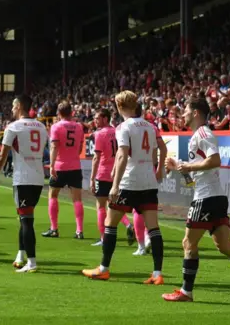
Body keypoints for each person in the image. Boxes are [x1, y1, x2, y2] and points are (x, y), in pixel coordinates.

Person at [162, 97, 230, 304]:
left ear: (195, 113)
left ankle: (186, 292)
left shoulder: (203, 133)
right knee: (224, 246)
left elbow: (215, 160)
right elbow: (193, 179)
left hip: (206, 198)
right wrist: (179, 166)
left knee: (188, 243)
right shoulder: (198, 135)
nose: (182, 114)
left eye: (185, 110)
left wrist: (186, 167)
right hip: (213, 196)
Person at [82, 91, 166, 285]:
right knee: (153, 228)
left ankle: (103, 268)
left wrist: (115, 184)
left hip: (129, 181)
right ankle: (157, 273)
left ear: (119, 107)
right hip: (148, 182)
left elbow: (122, 155)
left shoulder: (123, 127)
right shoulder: (151, 126)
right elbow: (158, 150)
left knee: (110, 224)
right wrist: (158, 169)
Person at [0, 95, 48, 273]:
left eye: (14, 106)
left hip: (23, 179)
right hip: (38, 179)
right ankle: (21, 255)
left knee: (26, 221)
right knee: (24, 219)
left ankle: (32, 262)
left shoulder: (14, 127)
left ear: (20, 106)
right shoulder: (42, 126)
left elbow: (3, 154)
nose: (12, 109)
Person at [89, 109, 135, 248]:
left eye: (97, 118)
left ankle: (103, 238)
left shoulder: (99, 134)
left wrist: (92, 178)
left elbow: (96, 158)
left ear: (105, 118)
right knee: (114, 205)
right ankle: (128, 225)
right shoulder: (117, 131)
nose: (95, 120)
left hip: (103, 174)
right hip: (117, 174)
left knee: (101, 206)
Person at [42, 101, 85, 239]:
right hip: (75, 166)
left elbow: (54, 147)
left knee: (53, 195)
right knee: (77, 199)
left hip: (60, 166)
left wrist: (52, 165)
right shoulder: (79, 127)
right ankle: (79, 230)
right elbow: (79, 147)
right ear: (71, 112)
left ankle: (54, 228)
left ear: (59, 113)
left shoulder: (56, 127)